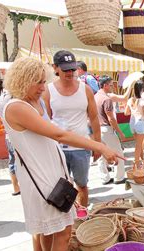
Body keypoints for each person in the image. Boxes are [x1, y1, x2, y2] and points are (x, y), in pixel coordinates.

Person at [2, 57, 123, 251]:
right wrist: (100, 146)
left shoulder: (34, 100)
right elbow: (59, 134)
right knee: (63, 231)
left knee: (50, 232)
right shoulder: (16, 106)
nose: (43, 87)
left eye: (44, 81)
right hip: (40, 176)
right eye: (38, 82)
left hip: (50, 172)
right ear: (22, 80)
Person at [42, 50, 101, 208]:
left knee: (82, 184)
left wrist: (98, 144)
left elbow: (94, 118)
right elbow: (45, 122)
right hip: (58, 148)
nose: (70, 73)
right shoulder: (48, 90)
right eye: (65, 69)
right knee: (62, 187)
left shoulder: (86, 89)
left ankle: (82, 215)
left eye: (72, 69)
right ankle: (68, 219)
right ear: (55, 68)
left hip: (81, 147)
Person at [94, 76, 127, 185]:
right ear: (105, 86)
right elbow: (111, 119)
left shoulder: (95, 97)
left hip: (98, 129)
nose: (113, 87)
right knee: (118, 153)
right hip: (106, 129)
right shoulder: (106, 99)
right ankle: (119, 177)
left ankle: (105, 178)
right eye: (111, 85)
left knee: (101, 155)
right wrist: (120, 132)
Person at [0, 90, 20, 196]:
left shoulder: (2, 98)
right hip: (15, 135)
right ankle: (21, 186)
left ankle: (16, 187)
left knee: (12, 161)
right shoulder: (12, 99)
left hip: (8, 135)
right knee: (18, 162)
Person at [125, 80, 144, 164]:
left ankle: (143, 160)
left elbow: (126, 113)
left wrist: (134, 110)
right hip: (140, 121)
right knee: (139, 145)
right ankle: (136, 164)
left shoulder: (130, 100)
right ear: (142, 88)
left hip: (132, 122)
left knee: (138, 143)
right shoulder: (143, 99)